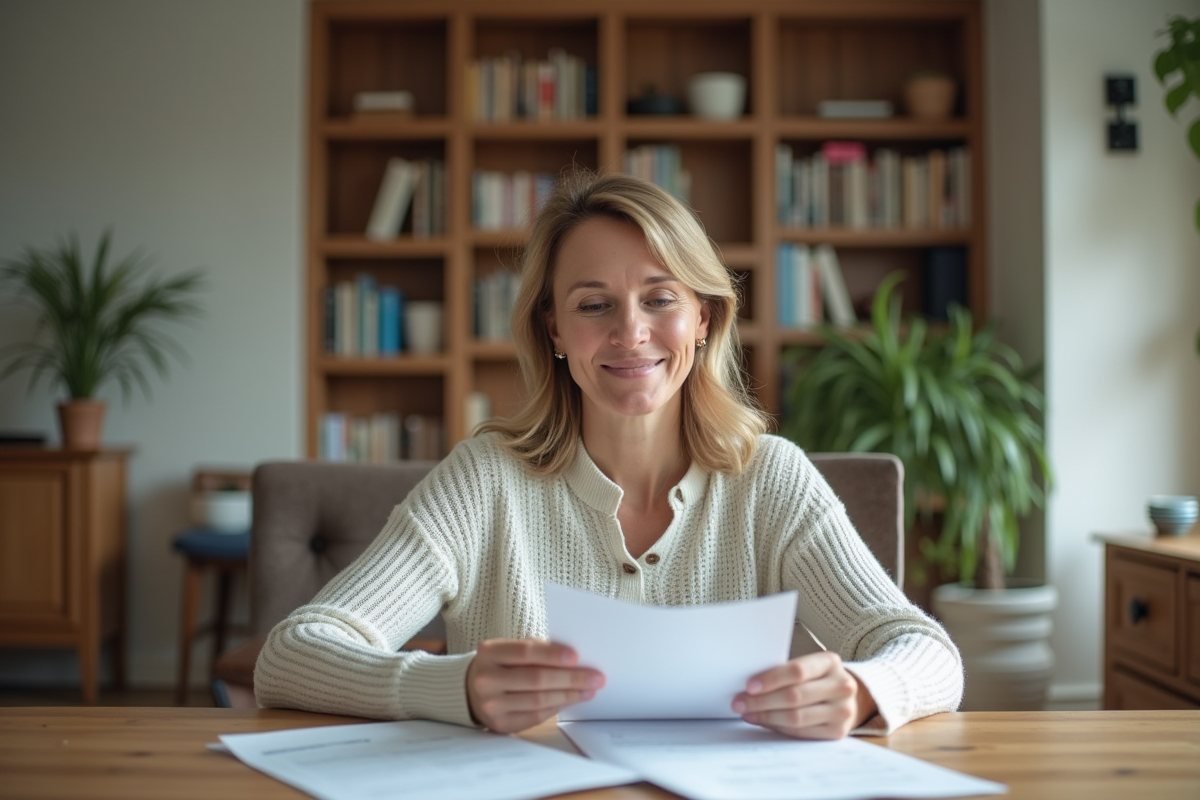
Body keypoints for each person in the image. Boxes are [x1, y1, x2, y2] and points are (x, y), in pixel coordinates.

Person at [255, 171, 963, 739]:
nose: (631, 334)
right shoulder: (485, 481)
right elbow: (290, 655)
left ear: (704, 318)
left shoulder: (771, 478)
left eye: (660, 299)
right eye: (594, 306)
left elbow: (925, 650)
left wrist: (866, 688)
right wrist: (448, 685)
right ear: (554, 328)